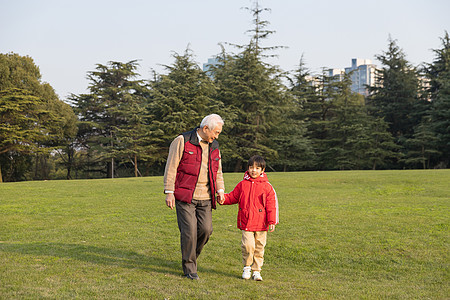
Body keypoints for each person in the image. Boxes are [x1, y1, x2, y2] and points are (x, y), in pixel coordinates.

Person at [164, 114, 225, 280]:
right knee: (189, 232)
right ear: (205, 128)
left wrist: (220, 190)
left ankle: (190, 258)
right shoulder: (182, 141)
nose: (217, 136)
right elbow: (171, 167)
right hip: (185, 195)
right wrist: (169, 192)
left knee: (206, 230)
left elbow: (217, 171)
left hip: (206, 196)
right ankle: (190, 269)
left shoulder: (215, 146)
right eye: (216, 132)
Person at [218, 155, 279, 281]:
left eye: (257, 168)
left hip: (262, 224)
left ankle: (257, 271)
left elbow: (272, 205)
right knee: (248, 245)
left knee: (259, 247)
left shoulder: (267, 187)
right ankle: (247, 267)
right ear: (248, 168)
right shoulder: (242, 185)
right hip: (246, 222)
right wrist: (222, 199)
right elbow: (233, 197)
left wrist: (272, 221)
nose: (254, 170)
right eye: (251, 167)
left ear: (262, 170)